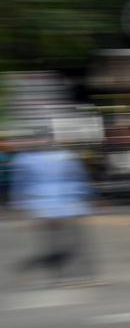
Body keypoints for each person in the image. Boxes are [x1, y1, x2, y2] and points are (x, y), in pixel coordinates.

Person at [8, 121, 97, 285]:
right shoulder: (65, 156)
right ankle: (82, 275)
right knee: (71, 241)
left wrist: (19, 205)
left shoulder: (25, 159)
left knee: (57, 241)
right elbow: (79, 178)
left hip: (48, 206)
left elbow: (20, 185)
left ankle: (63, 276)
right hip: (65, 204)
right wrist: (88, 196)